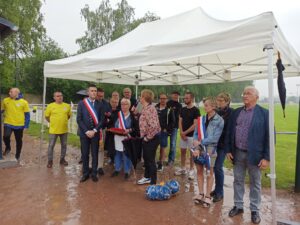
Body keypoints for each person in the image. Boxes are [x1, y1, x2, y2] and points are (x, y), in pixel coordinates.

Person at [225, 86, 269, 224]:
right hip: (237, 152)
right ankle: (238, 206)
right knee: (238, 180)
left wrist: (267, 158)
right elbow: (229, 132)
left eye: (248, 93)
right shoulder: (237, 112)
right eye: (244, 93)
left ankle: (254, 209)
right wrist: (228, 150)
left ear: (257, 96)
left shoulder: (264, 113)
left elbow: (269, 136)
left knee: (255, 183)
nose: (245, 95)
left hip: (255, 156)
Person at [192, 97, 224, 207]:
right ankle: (200, 193)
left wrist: (199, 143)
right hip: (198, 149)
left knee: (209, 173)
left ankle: (208, 196)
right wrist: (196, 146)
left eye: (206, 105)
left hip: (210, 149)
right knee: (199, 171)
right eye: (204, 105)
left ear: (213, 106)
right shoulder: (201, 119)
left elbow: (215, 138)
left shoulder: (219, 120)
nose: (204, 107)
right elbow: (196, 133)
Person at [77, 84, 103, 183]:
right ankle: (85, 173)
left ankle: (94, 173)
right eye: (92, 91)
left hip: (95, 134)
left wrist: (95, 130)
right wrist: (87, 131)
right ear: (88, 92)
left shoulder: (99, 104)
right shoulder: (81, 103)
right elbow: (79, 119)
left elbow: (102, 120)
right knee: (85, 154)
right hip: (84, 134)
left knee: (95, 153)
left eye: (95, 91)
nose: (94, 92)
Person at [210, 92, 233, 202]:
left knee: (218, 167)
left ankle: (220, 193)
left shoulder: (231, 113)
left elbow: (230, 130)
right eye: (218, 100)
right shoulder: (217, 112)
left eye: (221, 101)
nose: (219, 103)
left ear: (227, 102)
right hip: (215, 143)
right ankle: (217, 188)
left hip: (224, 144)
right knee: (214, 167)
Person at [111, 98, 139, 180]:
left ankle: (127, 171)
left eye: (126, 104)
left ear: (129, 105)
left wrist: (129, 130)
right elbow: (111, 124)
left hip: (127, 138)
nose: (123, 106)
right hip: (117, 138)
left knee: (126, 154)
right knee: (117, 154)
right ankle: (117, 169)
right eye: (122, 104)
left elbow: (136, 128)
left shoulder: (132, 116)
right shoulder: (117, 114)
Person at [137, 89, 161, 185]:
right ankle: (147, 177)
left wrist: (148, 138)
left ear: (144, 98)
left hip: (152, 138)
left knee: (150, 160)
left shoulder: (150, 109)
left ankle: (153, 183)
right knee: (146, 158)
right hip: (148, 137)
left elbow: (154, 126)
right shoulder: (145, 108)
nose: (139, 97)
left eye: (141, 96)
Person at [175, 92, 200, 180]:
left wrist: (185, 133)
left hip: (192, 136)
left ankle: (191, 170)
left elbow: (195, 125)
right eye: (184, 98)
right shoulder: (182, 109)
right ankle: (183, 168)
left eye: (187, 98)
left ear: (192, 99)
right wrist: (181, 133)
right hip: (183, 135)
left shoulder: (196, 110)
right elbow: (180, 121)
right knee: (182, 152)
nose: (185, 100)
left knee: (192, 153)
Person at [1, 87, 30, 161]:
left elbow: (27, 115)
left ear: (17, 93)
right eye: (9, 92)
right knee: (5, 136)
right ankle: (8, 147)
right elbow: (2, 110)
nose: (9, 93)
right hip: (8, 123)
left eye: (11, 92)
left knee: (19, 140)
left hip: (19, 125)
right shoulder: (5, 100)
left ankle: (17, 155)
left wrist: (26, 125)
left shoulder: (24, 102)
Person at [45, 91, 72, 168]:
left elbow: (69, 116)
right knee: (51, 146)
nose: (60, 97)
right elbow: (47, 116)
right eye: (57, 96)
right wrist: (52, 122)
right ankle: (50, 161)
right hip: (53, 130)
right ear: (54, 98)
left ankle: (62, 159)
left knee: (64, 145)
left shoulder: (67, 106)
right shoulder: (50, 106)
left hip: (64, 130)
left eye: (61, 96)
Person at [155, 93, 175, 172]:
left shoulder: (169, 109)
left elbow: (172, 122)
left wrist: (167, 130)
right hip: (154, 132)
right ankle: (153, 163)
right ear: (159, 99)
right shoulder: (155, 108)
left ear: (166, 99)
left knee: (162, 148)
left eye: (164, 98)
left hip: (163, 132)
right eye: (161, 98)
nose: (162, 100)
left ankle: (160, 163)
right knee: (154, 147)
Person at [96, 87, 110, 175]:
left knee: (101, 148)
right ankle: (91, 165)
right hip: (93, 129)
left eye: (102, 96)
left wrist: (108, 115)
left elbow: (110, 113)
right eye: (99, 96)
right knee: (92, 148)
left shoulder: (106, 103)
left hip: (102, 129)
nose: (100, 98)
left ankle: (100, 166)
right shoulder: (92, 103)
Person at [166, 91, 182, 166]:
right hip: (165, 127)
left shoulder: (179, 105)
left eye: (177, 95)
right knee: (162, 143)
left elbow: (179, 117)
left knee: (173, 144)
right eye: (174, 95)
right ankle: (161, 159)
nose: (176, 96)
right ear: (171, 95)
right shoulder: (167, 103)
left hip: (174, 127)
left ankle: (171, 159)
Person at [104, 97, 120, 164]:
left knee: (116, 145)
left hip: (116, 131)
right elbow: (105, 120)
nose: (114, 104)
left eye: (116, 102)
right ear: (110, 103)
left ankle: (117, 159)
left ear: (118, 103)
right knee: (110, 146)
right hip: (109, 131)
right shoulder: (108, 110)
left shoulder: (119, 111)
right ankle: (111, 158)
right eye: (113, 102)